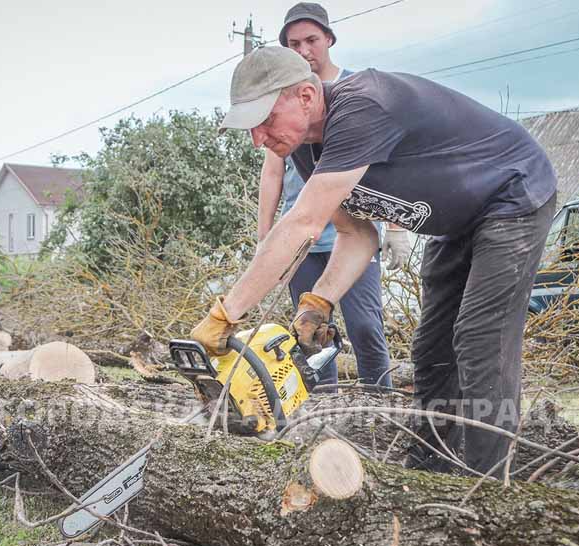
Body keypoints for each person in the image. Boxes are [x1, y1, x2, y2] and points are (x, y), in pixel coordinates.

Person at [191, 46, 557, 478]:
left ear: (306, 96)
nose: (257, 138)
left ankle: (488, 485)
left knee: (479, 338)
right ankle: (430, 470)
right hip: (456, 222)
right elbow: (356, 233)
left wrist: (226, 313)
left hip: (512, 195)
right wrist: (319, 302)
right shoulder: (307, 150)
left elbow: (303, 223)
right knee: (432, 349)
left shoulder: (363, 106)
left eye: (265, 119)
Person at [258, 2, 408, 388]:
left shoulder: (356, 90)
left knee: (364, 327)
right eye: (294, 43)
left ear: (328, 39)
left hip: (354, 232)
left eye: (311, 40)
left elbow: (389, 166)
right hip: (302, 240)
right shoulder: (281, 101)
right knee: (309, 333)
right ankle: (324, 409)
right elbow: (273, 171)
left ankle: (379, 402)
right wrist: (266, 243)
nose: (304, 50)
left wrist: (395, 225)